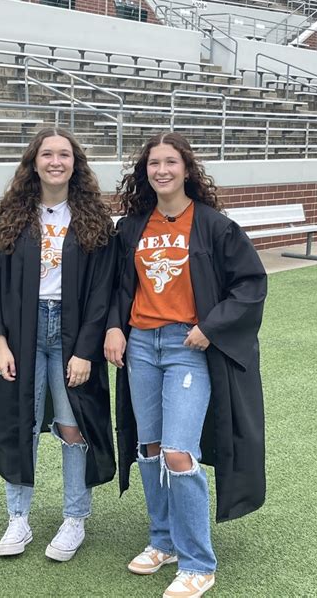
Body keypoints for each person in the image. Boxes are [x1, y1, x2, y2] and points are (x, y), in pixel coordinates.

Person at [104, 132, 267, 598]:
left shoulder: (214, 226)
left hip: (187, 346)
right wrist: (115, 328)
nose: (162, 170)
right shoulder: (132, 227)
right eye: (153, 163)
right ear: (145, 172)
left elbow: (250, 285)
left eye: (170, 162)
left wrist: (211, 327)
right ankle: (163, 542)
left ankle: (198, 562)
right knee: (150, 447)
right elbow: (118, 287)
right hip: (140, 345)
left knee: (178, 452)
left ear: (187, 169)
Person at [0, 127, 116, 560]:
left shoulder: (93, 219)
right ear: (34, 163)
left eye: (64, 155)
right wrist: (0, 344)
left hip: (72, 335)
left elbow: (103, 290)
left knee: (73, 426)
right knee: (22, 424)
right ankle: (19, 519)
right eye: (47, 154)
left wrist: (85, 350)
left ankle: (74, 520)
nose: (56, 161)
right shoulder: (10, 217)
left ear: (76, 163)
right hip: (21, 331)